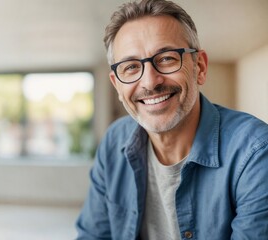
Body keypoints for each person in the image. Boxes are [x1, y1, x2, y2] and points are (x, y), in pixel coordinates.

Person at [76, 0, 268, 239]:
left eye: (166, 58)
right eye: (131, 67)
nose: (149, 82)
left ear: (200, 66)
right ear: (116, 84)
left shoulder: (255, 152)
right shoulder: (114, 141)